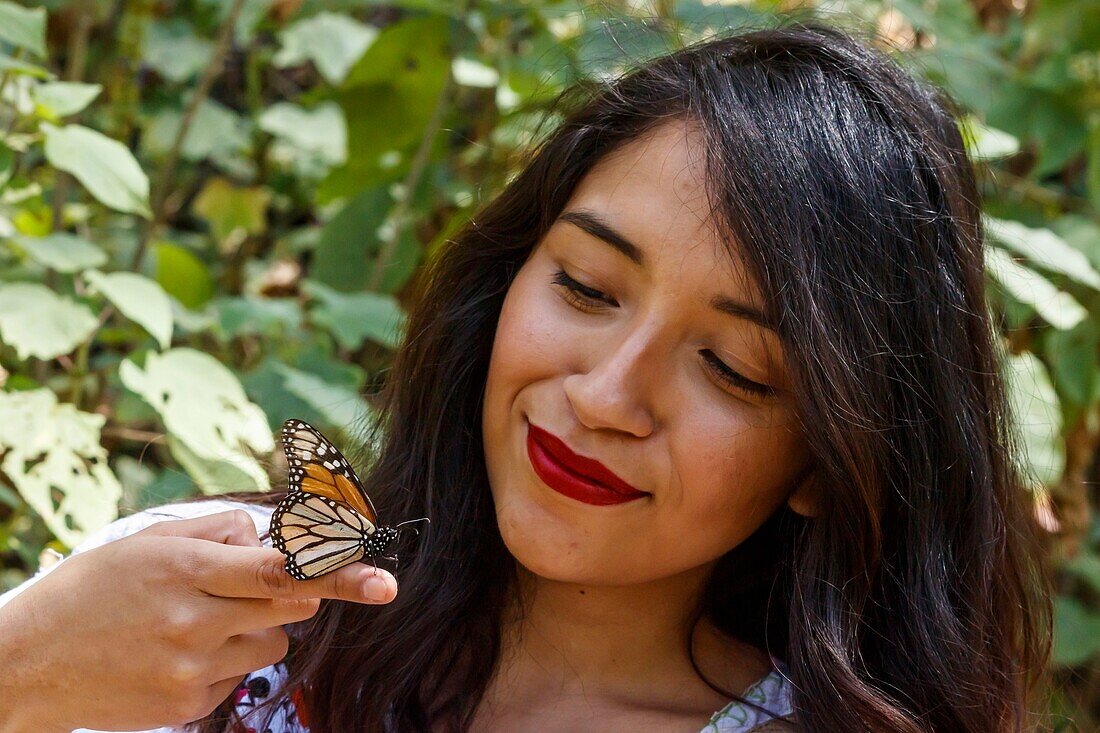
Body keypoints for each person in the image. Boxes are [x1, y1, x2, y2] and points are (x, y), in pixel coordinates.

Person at [0, 19, 1053, 733]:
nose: (604, 396)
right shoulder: (186, 613)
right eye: (589, 287)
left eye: (732, 368)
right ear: (508, 279)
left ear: (830, 455)